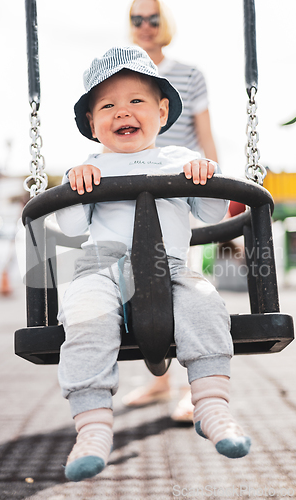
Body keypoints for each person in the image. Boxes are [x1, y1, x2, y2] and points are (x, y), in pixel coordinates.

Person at [56, 46, 251, 482]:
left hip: (172, 267)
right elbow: (68, 224)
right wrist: (76, 186)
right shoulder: (91, 166)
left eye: (136, 101)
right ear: (92, 123)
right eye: (107, 105)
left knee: (205, 304)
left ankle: (212, 406)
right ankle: (92, 428)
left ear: (162, 112)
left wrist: (206, 177)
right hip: (102, 268)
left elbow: (210, 216)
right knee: (84, 315)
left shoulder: (180, 160)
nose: (122, 111)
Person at [124, 0, 218, 418]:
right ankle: (159, 382)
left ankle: (188, 387)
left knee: (183, 276)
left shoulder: (190, 75)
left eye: (153, 18)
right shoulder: (124, 73)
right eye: (136, 19)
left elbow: (204, 134)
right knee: (138, 275)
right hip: (134, 179)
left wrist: (218, 181)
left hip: (180, 182)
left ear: (167, 22)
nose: (145, 26)